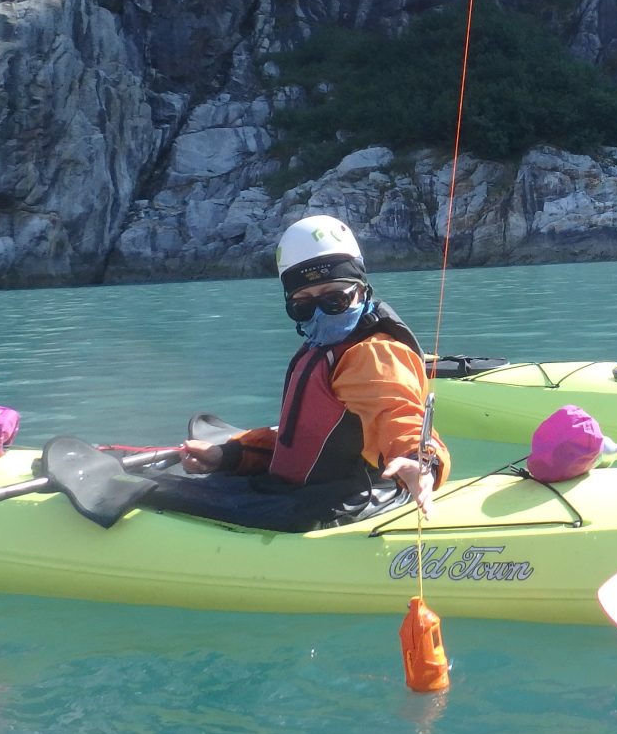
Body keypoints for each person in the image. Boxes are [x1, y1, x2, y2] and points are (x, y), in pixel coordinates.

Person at [144, 215, 448, 532]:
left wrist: (420, 461)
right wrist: (230, 455)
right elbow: (305, 440)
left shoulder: (374, 354)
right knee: (174, 484)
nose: (320, 313)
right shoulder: (323, 348)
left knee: (150, 491)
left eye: (335, 299)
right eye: (303, 305)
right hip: (304, 492)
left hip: (340, 503)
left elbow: (396, 412)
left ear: (362, 290)